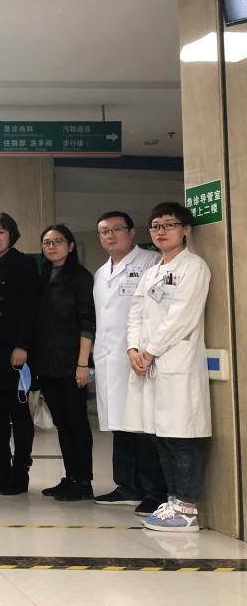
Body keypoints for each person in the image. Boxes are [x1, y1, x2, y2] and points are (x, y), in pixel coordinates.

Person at [126, 202, 211, 533]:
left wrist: (149, 351)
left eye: (169, 225)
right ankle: (173, 500)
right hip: (151, 364)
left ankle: (187, 508)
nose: (161, 231)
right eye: (156, 226)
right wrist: (133, 348)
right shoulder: (152, 272)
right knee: (160, 437)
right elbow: (135, 313)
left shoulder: (194, 267)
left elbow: (182, 317)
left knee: (181, 437)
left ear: (186, 229)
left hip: (177, 361)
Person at [91, 211, 164, 517]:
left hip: (138, 356)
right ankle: (126, 485)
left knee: (143, 425)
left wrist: (146, 349)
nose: (110, 235)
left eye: (116, 229)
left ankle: (153, 490)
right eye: (104, 231)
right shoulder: (100, 273)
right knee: (119, 423)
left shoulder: (150, 263)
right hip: (109, 358)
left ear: (132, 232)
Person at [0, 212, 39, 495]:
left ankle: (20, 471)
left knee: (19, 412)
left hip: (15, 352)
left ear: (11, 235)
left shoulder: (24, 264)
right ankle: (2, 469)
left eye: (1, 231)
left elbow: (30, 308)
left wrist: (22, 345)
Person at [35, 223, 96, 502]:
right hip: (47, 361)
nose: (52, 247)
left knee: (76, 421)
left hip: (72, 361)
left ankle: (83, 481)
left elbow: (87, 322)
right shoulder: (42, 276)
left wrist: (83, 364)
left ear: (70, 246)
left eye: (58, 241)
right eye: (47, 242)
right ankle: (70, 476)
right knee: (61, 421)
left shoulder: (80, 278)